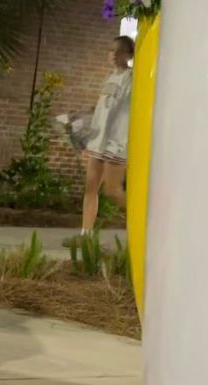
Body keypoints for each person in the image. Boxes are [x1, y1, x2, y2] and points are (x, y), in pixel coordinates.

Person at [72, 35, 134, 238]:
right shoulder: (109, 78)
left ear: (129, 54)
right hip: (99, 141)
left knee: (112, 190)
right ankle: (85, 234)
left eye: (120, 51)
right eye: (111, 50)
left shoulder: (132, 77)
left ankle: (142, 220)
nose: (114, 55)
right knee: (91, 187)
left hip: (117, 142)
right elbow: (102, 110)